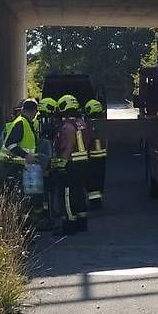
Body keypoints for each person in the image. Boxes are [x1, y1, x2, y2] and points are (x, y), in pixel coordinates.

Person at [54, 94, 94, 234]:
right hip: (83, 163)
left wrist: (61, 164)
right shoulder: (81, 123)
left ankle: (69, 225)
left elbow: (69, 146)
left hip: (71, 165)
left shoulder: (67, 126)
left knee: (67, 195)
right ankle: (82, 223)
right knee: (80, 193)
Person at [84, 98, 107, 209]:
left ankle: (95, 202)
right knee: (99, 179)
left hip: (92, 156)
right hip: (102, 156)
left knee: (92, 180)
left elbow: (87, 139)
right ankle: (98, 200)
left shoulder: (90, 124)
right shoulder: (103, 122)